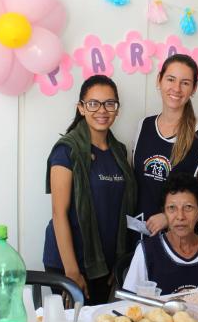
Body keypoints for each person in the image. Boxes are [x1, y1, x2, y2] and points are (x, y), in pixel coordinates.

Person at [43, 75, 137, 305]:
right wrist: (72, 271)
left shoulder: (120, 152)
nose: (102, 110)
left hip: (106, 264)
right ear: (81, 108)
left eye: (109, 104)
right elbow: (59, 213)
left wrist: (119, 262)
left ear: (117, 109)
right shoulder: (67, 151)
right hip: (70, 262)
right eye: (93, 103)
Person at [133, 53, 198, 236]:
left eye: (185, 83)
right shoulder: (144, 126)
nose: (176, 88)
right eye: (171, 79)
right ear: (159, 80)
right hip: (139, 233)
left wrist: (168, 217)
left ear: (194, 88)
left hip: (183, 239)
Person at [123, 173, 198, 294]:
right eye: (172, 208)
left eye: (188, 207)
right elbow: (129, 302)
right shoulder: (147, 250)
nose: (180, 216)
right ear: (164, 212)